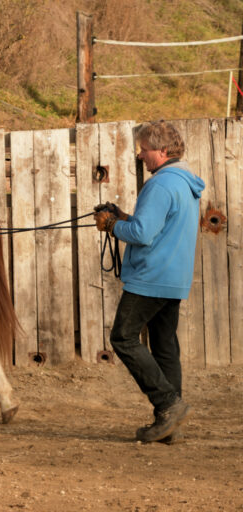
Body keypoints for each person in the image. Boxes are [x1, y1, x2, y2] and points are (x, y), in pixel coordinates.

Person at [94, 120, 205, 444]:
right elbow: (154, 225)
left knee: (123, 337)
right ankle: (170, 425)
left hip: (151, 277)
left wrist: (112, 226)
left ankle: (168, 405)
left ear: (162, 150)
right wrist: (123, 217)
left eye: (144, 149)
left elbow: (142, 235)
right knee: (165, 345)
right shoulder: (184, 182)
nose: (140, 155)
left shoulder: (160, 184)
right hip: (173, 277)